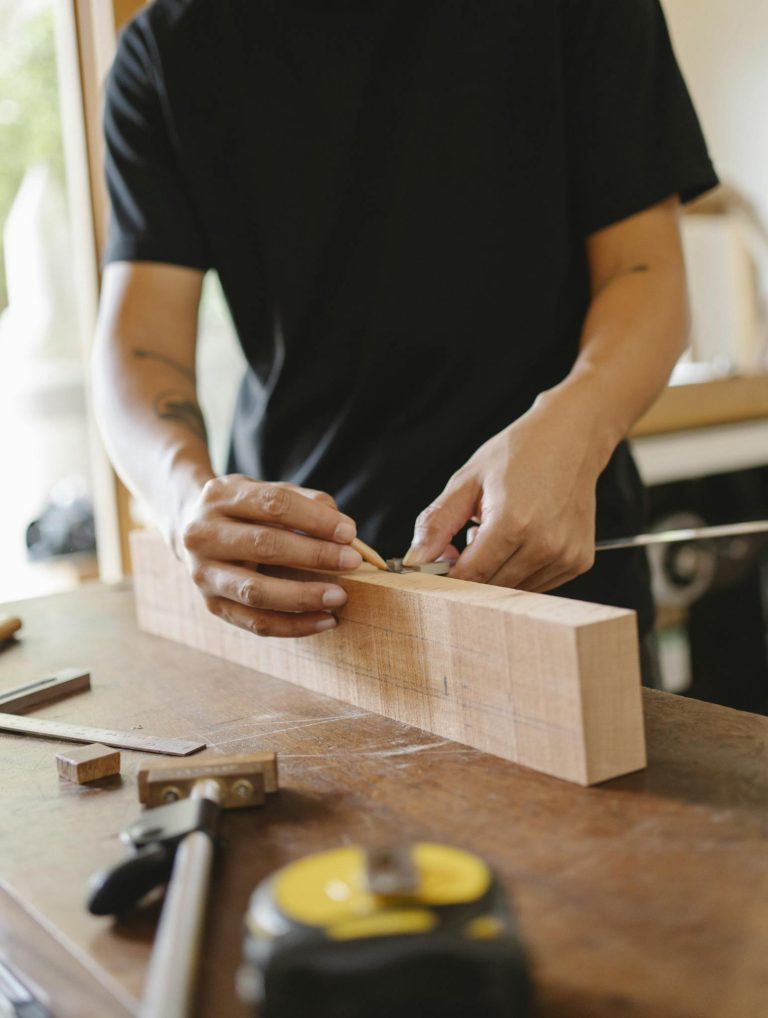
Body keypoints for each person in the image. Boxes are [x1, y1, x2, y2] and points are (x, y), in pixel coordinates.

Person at [94, 0, 717, 653]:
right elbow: (140, 349)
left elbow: (647, 275)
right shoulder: (167, 50)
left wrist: (580, 428)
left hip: (559, 588)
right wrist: (184, 500)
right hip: (301, 605)